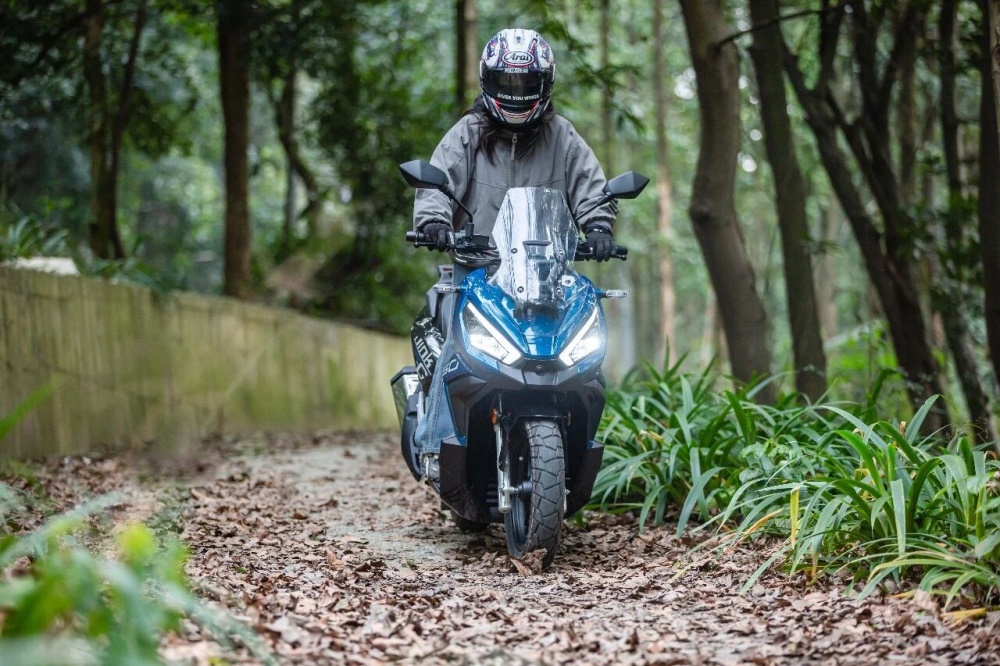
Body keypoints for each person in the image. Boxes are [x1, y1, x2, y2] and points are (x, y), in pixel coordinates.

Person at [410, 28, 618, 475]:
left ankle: (580, 447)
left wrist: (599, 225)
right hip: (479, 270)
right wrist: (433, 222)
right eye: (506, 82)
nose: (516, 92)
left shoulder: (562, 136)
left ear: (545, 84)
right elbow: (438, 182)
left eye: (526, 83)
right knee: (455, 351)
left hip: (546, 273)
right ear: (488, 81)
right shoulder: (468, 133)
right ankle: (433, 448)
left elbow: (591, 187)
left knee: (585, 356)